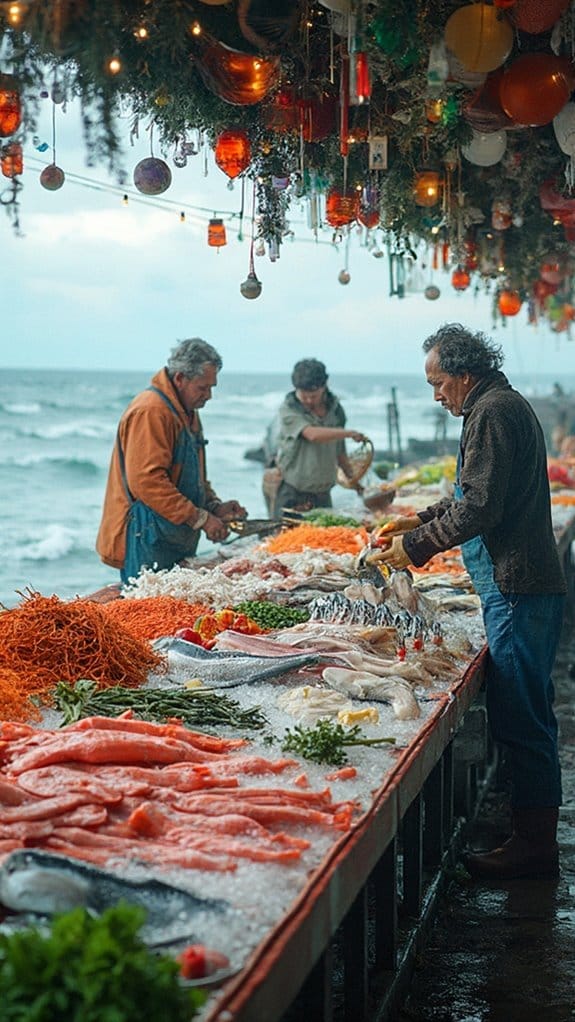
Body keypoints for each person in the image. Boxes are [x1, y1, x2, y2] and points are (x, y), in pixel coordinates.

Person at [367, 323, 566, 880]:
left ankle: (534, 845)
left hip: (517, 586)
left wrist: (414, 547)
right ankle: (528, 829)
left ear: (463, 373)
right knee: (524, 709)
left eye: (437, 383)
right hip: (516, 586)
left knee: (524, 716)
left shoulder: (493, 411)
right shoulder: (496, 404)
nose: (435, 395)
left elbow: (481, 507)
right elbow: (473, 495)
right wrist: (420, 518)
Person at [96, 338, 246, 583]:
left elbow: (194, 475)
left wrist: (213, 506)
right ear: (179, 379)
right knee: (147, 611)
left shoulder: (188, 412)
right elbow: (147, 482)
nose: (208, 395)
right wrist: (201, 518)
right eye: (202, 388)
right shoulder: (151, 411)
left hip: (174, 535)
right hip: (145, 536)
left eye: (212, 387)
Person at [272, 358, 367, 517]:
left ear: (325, 386)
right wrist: (349, 433)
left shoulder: (336, 410)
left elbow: (340, 451)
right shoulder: (288, 409)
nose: (309, 400)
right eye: (304, 395)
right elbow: (312, 435)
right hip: (293, 493)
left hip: (323, 494)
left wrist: (356, 485)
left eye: (314, 396)